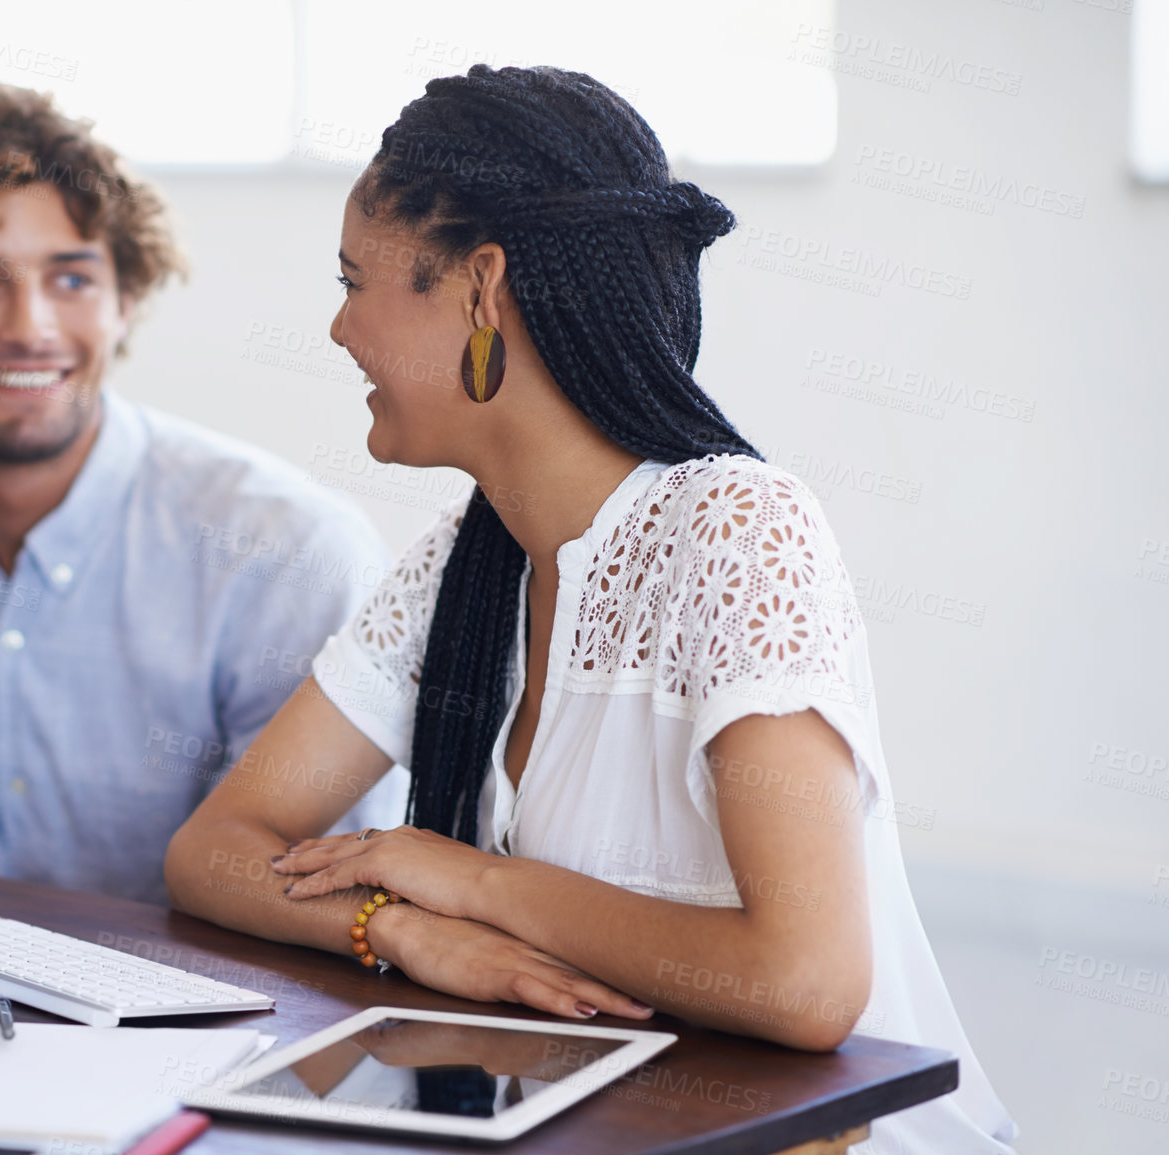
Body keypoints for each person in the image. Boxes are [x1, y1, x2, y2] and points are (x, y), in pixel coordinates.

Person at [165, 65, 1015, 1153]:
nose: (337, 329)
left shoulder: (735, 526)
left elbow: (804, 982)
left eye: (353, 280)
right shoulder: (469, 560)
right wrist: (398, 929)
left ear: (481, 290)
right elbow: (213, 850)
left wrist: (475, 883)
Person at [0, 84, 405, 906]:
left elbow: (305, 900)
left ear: (124, 303)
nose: (31, 327)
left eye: (72, 279)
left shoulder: (283, 553)